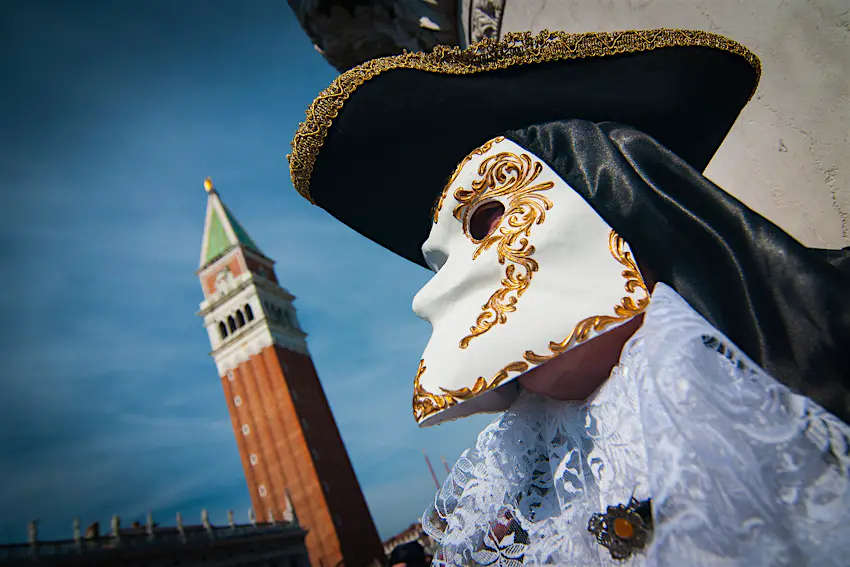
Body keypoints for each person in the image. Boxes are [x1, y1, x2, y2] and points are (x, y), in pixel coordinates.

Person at [289, 29, 850, 565]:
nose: (435, 292)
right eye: (440, 262)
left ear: (622, 201)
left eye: (486, 222)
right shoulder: (548, 482)